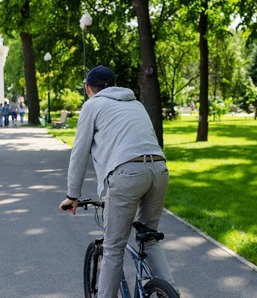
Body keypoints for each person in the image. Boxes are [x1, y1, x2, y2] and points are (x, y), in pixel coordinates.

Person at [59, 66, 176, 297]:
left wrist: (72, 196)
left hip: (127, 174)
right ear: (113, 85)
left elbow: (79, 153)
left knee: (113, 249)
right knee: (150, 238)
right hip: (159, 170)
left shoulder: (92, 105)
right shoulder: (136, 103)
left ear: (87, 89)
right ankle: (172, 293)